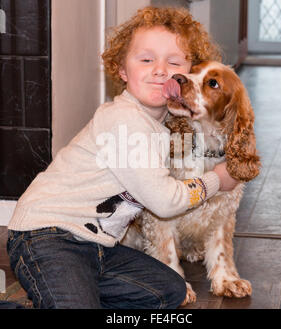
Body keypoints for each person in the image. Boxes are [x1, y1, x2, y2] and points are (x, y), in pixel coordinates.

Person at [6, 6, 239, 309]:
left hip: (99, 247)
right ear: (121, 70)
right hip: (47, 237)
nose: (160, 70)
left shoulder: (159, 125)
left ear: (187, 76)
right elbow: (165, 202)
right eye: (146, 60)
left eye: (174, 62)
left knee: (170, 291)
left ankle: (66, 291)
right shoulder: (124, 120)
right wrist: (217, 180)